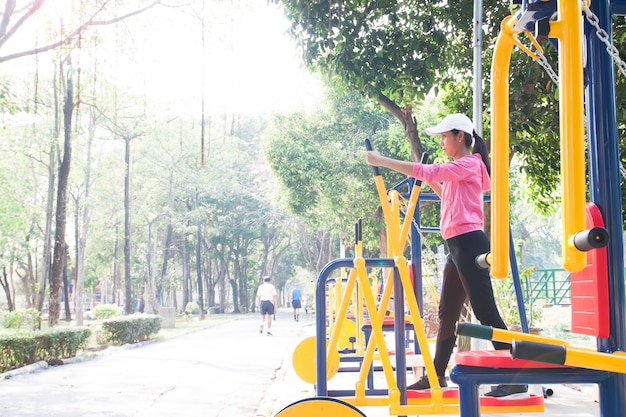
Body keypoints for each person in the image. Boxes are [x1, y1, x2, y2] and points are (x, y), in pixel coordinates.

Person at [364, 113, 527, 399]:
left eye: (444, 137)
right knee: (447, 313)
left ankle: (515, 378)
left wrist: (381, 161)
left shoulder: (468, 164)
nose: (441, 142)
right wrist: (434, 182)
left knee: (485, 311)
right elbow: (446, 191)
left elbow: (429, 172)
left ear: (459, 136)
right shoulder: (460, 169)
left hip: (469, 243)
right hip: (457, 245)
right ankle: (435, 376)